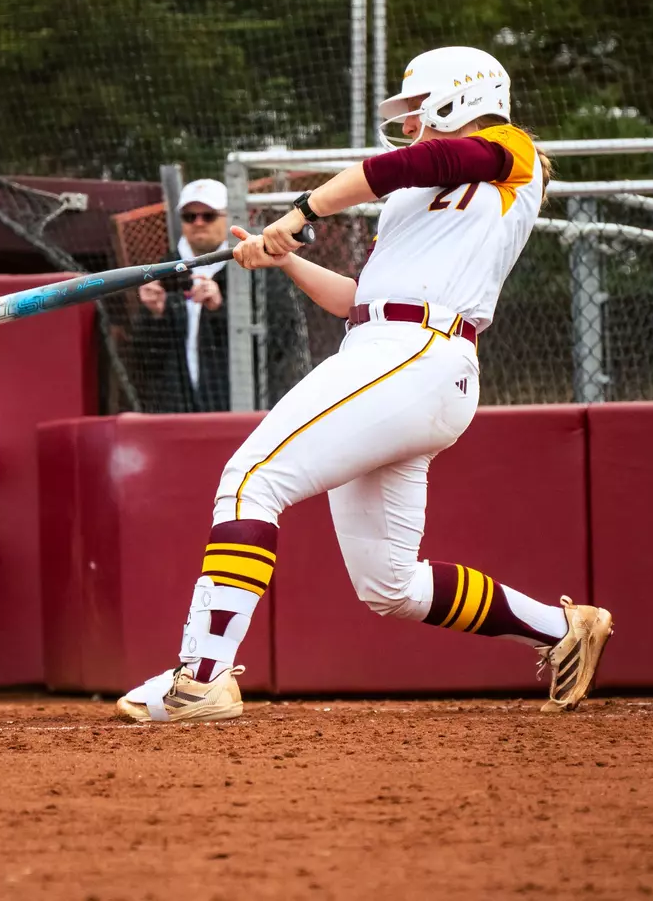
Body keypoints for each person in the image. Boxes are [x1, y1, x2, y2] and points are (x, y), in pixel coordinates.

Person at [116, 45, 613, 724]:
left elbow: (419, 162)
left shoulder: (506, 149)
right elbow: (361, 298)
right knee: (389, 584)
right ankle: (565, 631)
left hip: (415, 355)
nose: (410, 125)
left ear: (456, 99)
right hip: (398, 355)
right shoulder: (414, 203)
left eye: (417, 110)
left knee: (251, 479)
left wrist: (301, 212)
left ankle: (200, 678)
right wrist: (286, 258)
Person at [134, 178, 231, 412]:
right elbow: (143, 358)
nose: (198, 223)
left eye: (208, 215)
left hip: (237, 407)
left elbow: (277, 342)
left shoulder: (251, 268)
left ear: (229, 217)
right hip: (175, 409)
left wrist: (219, 309)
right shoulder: (162, 271)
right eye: (190, 217)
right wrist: (155, 315)